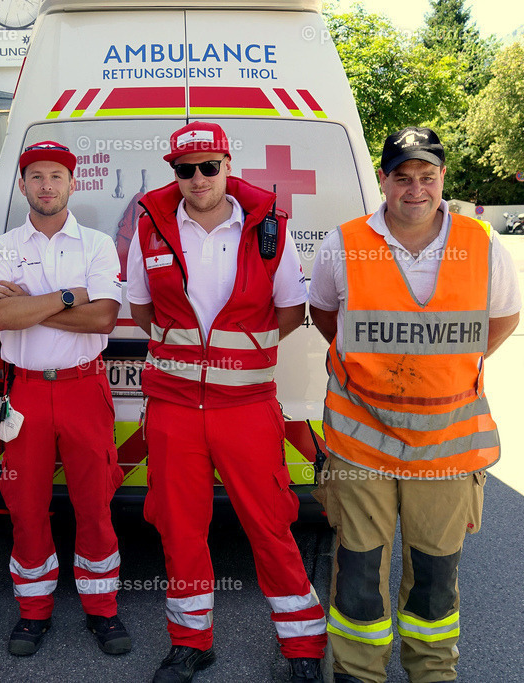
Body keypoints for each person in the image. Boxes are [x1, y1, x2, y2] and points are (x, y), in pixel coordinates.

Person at [308, 127, 521, 683]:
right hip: (361, 446)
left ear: (442, 179)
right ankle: (359, 674)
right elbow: (327, 318)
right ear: (384, 180)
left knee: (434, 575)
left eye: (427, 176)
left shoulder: (482, 242)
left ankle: (431, 673)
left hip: (447, 451)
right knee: (357, 575)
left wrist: (445, 370)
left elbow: (502, 320)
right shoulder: (345, 242)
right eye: (402, 177)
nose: (416, 189)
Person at [127, 122, 327, 683]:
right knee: (179, 527)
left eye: (208, 166)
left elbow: (291, 309)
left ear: (227, 165)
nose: (197, 178)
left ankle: (303, 646)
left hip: (246, 408)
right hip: (172, 408)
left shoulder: (266, 229)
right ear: (175, 173)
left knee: (270, 524)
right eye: (184, 169)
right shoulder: (152, 230)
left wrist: (239, 355)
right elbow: (142, 310)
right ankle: (191, 643)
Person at [0, 140, 131, 658]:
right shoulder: (1, 245)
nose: (47, 185)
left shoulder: (96, 244)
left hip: (83, 388)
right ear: (23, 184)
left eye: (57, 176)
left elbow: (104, 318)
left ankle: (102, 610)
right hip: (24, 393)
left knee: (95, 504)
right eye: (37, 176)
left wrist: (29, 304)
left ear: (73, 183)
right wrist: (70, 295)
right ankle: (33, 611)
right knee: (25, 507)